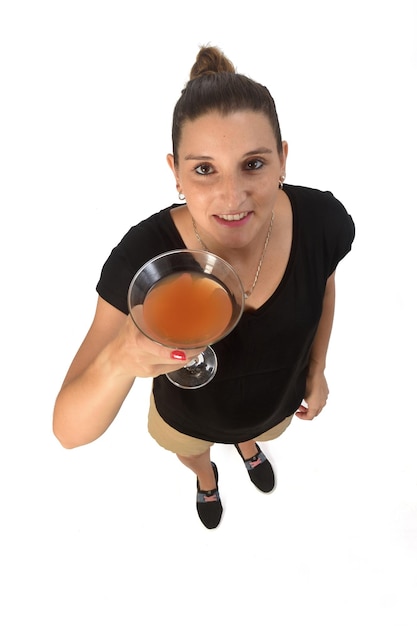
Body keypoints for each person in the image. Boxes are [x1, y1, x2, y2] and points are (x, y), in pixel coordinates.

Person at [53, 45, 355, 529]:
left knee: (252, 430)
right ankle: (206, 480)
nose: (232, 197)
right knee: (191, 452)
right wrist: (121, 359)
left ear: (282, 159)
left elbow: (323, 283)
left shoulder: (322, 220)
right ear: (175, 172)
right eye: (204, 169)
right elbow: (68, 431)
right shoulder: (142, 254)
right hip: (185, 419)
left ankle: (248, 446)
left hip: (275, 405)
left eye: (253, 164)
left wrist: (317, 369)